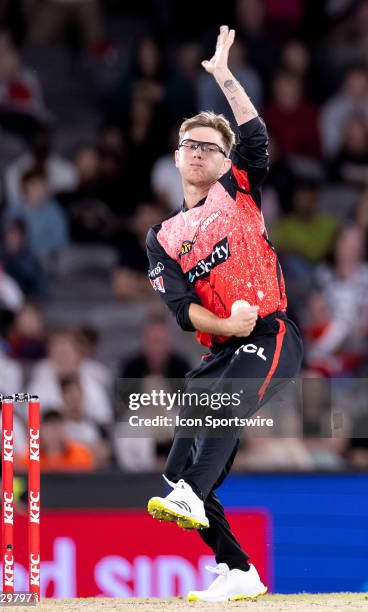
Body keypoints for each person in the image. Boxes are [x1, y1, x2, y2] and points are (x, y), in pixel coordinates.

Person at [145, 27, 303, 603]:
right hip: (226, 347)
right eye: (189, 144)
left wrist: (223, 76)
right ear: (175, 157)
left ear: (223, 159)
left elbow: (257, 137)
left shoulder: (237, 189)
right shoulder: (163, 236)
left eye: (209, 146)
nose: (196, 151)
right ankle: (238, 571)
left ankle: (191, 490)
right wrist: (224, 328)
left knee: (209, 433)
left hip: (272, 333)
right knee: (177, 472)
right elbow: (183, 313)